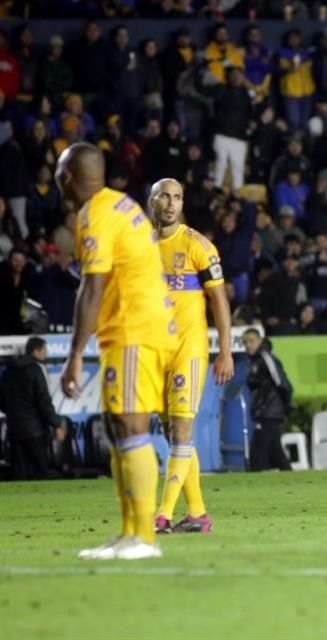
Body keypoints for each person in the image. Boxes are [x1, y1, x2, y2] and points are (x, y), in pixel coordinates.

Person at [57, 142, 177, 561]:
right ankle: (129, 533)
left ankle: (144, 537)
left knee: (130, 425)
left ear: (68, 176)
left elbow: (92, 289)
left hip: (134, 329)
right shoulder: (120, 204)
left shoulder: (95, 214)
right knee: (118, 428)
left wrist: (74, 355)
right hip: (136, 327)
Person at [149, 178, 235, 535]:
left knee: (182, 430)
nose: (171, 203)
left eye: (177, 198)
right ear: (153, 201)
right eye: (165, 197)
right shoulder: (141, 245)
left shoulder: (198, 245)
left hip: (189, 350)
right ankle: (197, 514)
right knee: (174, 435)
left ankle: (162, 514)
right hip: (155, 353)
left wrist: (225, 351)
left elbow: (219, 302)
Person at [0, 336, 65, 480]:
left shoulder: (7, 372)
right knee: (40, 474)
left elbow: (2, 403)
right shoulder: (36, 370)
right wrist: (57, 424)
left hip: (14, 431)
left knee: (19, 476)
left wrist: (14, 414)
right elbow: (44, 402)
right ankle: (43, 503)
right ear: (37, 351)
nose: (46, 354)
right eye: (45, 350)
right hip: (35, 432)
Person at [242, 328, 294, 472]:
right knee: (275, 450)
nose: (248, 345)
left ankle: (256, 479)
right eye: (245, 342)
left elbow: (282, 383)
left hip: (269, 412)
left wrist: (285, 406)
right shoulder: (254, 361)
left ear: (260, 340)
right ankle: (289, 476)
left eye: (251, 341)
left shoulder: (266, 358)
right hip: (265, 411)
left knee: (258, 452)